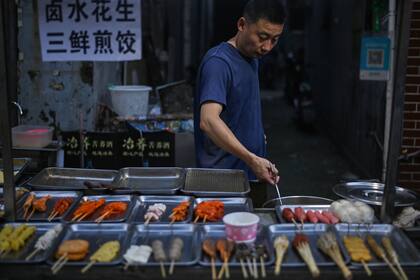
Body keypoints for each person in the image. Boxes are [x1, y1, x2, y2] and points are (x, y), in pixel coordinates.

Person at [194, 0, 285, 185]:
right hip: (222, 179)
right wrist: (252, 158)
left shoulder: (252, 57)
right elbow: (208, 120)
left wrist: (255, 134)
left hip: (247, 174)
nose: (267, 47)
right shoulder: (219, 63)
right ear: (242, 25)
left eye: (274, 40)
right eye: (262, 36)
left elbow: (239, 107)